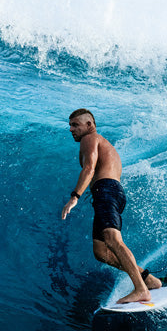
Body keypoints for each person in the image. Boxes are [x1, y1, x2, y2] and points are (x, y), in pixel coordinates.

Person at [60, 108, 161, 303]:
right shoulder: (103, 143)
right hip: (109, 192)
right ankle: (149, 280)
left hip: (106, 190)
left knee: (113, 239)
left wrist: (75, 196)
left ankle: (141, 289)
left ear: (89, 125)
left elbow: (89, 168)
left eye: (75, 125)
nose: (71, 129)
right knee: (101, 252)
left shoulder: (90, 138)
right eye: (70, 125)